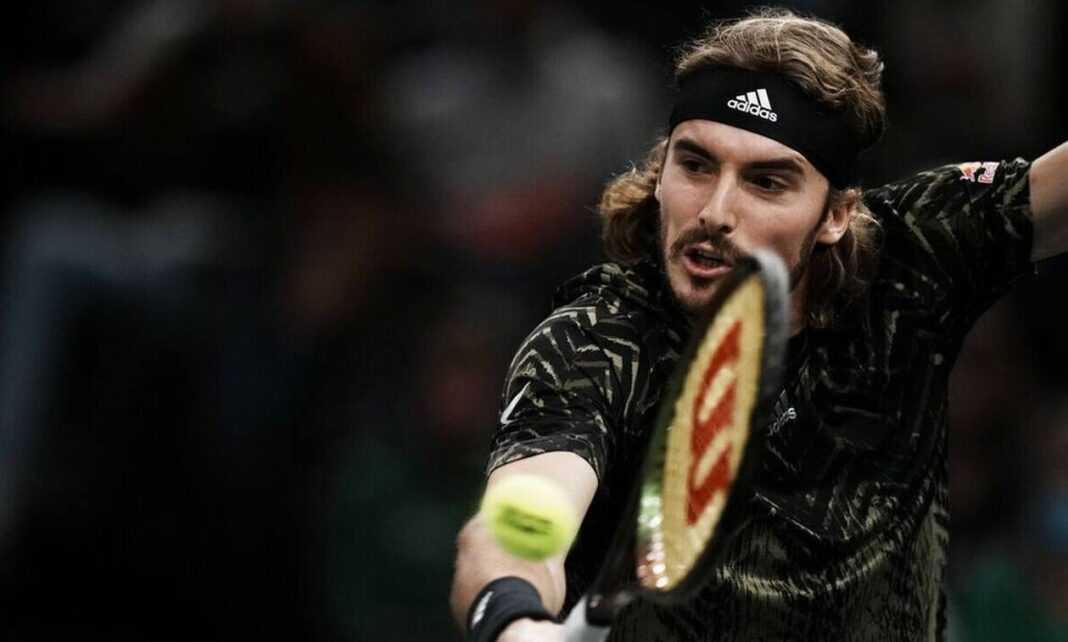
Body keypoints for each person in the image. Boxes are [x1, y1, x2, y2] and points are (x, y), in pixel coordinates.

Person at [449, 8, 1068, 642]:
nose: (716, 211)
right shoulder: (598, 339)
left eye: (766, 182)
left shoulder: (910, 261)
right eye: (695, 165)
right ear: (659, 174)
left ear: (836, 216)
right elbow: (520, 521)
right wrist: (514, 620)